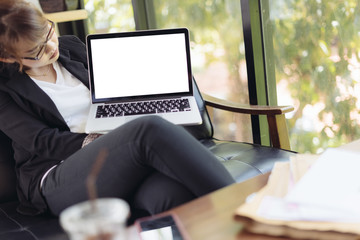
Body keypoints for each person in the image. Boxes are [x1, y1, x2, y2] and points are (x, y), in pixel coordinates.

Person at [0, 0, 235, 219]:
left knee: (169, 195)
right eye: (36, 51)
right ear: (8, 59)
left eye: (49, 33)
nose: (51, 47)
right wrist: (107, 139)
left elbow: (112, 89)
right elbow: (43, 142)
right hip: (55, 175)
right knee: (148, 129)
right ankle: (246, 205)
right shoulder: (5, 90)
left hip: (112, 160)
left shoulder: (71, 47)